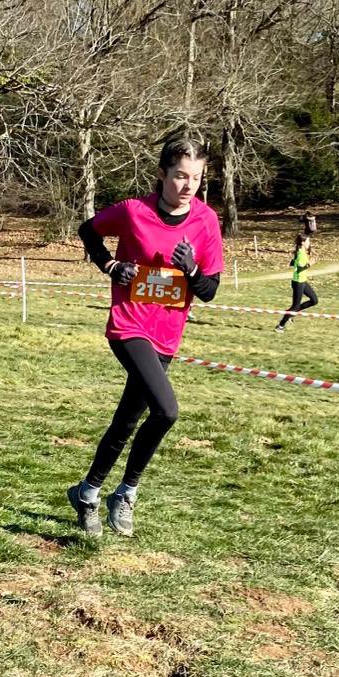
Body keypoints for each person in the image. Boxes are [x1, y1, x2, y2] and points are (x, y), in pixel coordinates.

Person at [67, 137, 224, 537]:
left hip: (167, 334)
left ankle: (88, 493)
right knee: (167, 411)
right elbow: (89, 231)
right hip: (129, 324)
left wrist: (191, 271)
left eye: (196, 178)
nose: (188, 186)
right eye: (180, 176)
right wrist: (110, 264)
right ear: (162, 174)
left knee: (127, 420)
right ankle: (128, 492)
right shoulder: (133, 211)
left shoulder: (206, 221)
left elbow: (209, 291)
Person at [275, 233, 318, 331]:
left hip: (302, 281)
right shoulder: (301, 253)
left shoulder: (300, 252)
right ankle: (280, 326)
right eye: (308, 241)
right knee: (295, 306)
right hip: (298, 282)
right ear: (303, 243)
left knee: (314, 300)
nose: (309, 243)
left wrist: (293, 262)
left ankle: (291, 313)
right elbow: (299, 269)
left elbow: (292, 263)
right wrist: (310, 264)